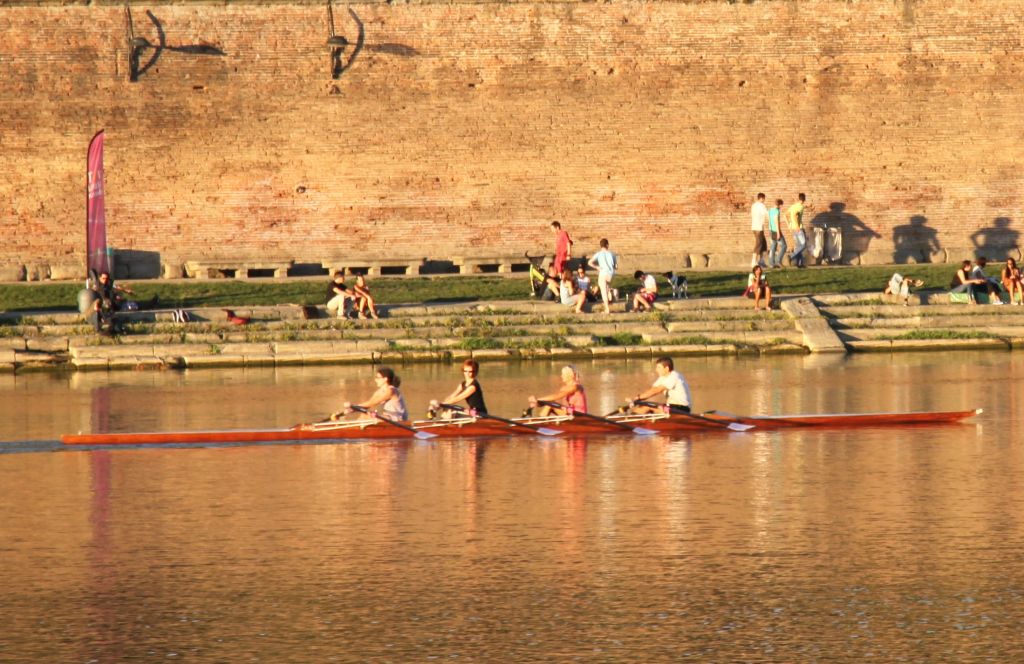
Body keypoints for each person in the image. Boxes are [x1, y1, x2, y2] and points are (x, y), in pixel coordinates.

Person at [333, 366, 408, 422]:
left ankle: (356, 436)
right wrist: (345, 412)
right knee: (364, 415)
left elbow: (373, 403)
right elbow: (367, 405)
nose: (375, 380)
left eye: (378, 378)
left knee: (366, 417)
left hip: (398, 418)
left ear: (385, 379)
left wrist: (353, 406)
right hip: (387, 417)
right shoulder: (379, 392)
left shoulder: (391, 391)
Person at [627, 357, 692, 414]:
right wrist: (636, 400)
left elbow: (657, 390)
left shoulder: (674, 376)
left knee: (647, 407)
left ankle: (629, 422)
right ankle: (631, 419)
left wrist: (639, 398)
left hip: (681, 409)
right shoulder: (663, 378)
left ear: (666, 368)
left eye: (659, 367)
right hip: (670, 407)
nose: (656, 370)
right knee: (642, 406)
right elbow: (652, 390)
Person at [588, 238, 617, 315]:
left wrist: (597, 267)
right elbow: (616, 266)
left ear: (600, 246)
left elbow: (589, 262)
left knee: (603, 290)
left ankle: (607, 309)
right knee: (607, 287)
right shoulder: (612, 254)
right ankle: (611, 293)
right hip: (611, 274)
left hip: (603, 273)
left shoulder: (598, 254)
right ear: (607, 245)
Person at [788, 193, 807, 268]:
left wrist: (789, 224)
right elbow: (794, 215)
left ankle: (800, 263)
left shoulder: (794, 206)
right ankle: (791, 256)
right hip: (798, 229)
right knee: (803, 245)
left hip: (793, 228)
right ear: (804, 199)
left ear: (799, 198)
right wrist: (797, 226)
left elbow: (786, 214)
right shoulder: (800, 207)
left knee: (799, 246)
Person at [750, 192, 769, 268]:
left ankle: (761, 260)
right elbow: (766, 214)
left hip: (754, 227)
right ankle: (753, 261)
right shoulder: (761, 205)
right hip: (759, 227)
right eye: (764, 199)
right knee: (759, 244)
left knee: (763, 243)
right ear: (761, 198)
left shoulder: (753, 205)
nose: (764, 200)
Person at [768, 198, 787, 268]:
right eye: (781, 205)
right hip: (776, 231)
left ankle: (771, 263)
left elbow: (771, 221)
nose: (782, 207)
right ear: (779, 205)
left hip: (771, 230)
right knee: (784, 246)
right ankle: (778, 261)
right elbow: (776, 222)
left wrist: (782, 220)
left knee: (773, 247)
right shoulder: (776, 211)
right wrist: (778, 233)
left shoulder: (770, 210)